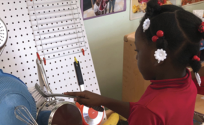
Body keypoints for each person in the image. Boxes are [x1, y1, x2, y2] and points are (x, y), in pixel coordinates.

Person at [65, 0, 204, 124]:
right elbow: (143, 112)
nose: (136, 57)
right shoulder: (187, 83)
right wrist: (103, 100)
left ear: (158, 57)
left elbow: (146, 113)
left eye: (138, 51)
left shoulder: (149, 110)